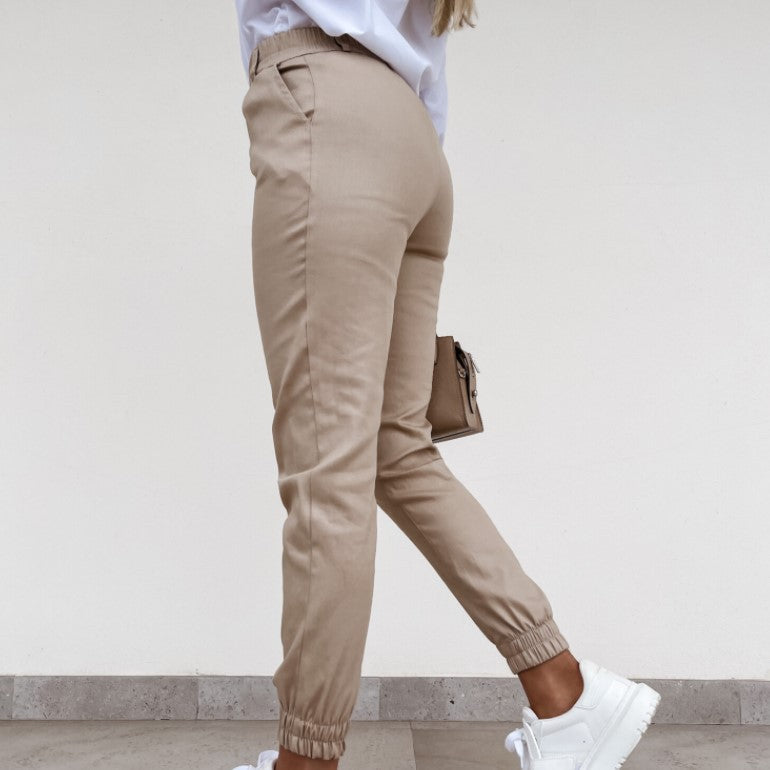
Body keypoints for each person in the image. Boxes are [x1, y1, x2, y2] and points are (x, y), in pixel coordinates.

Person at [232, 2, 661, 769]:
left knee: (328, 468)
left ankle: (307, 761)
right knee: (395, 449)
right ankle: (565, 690)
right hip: (412, 140)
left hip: (324, 105)